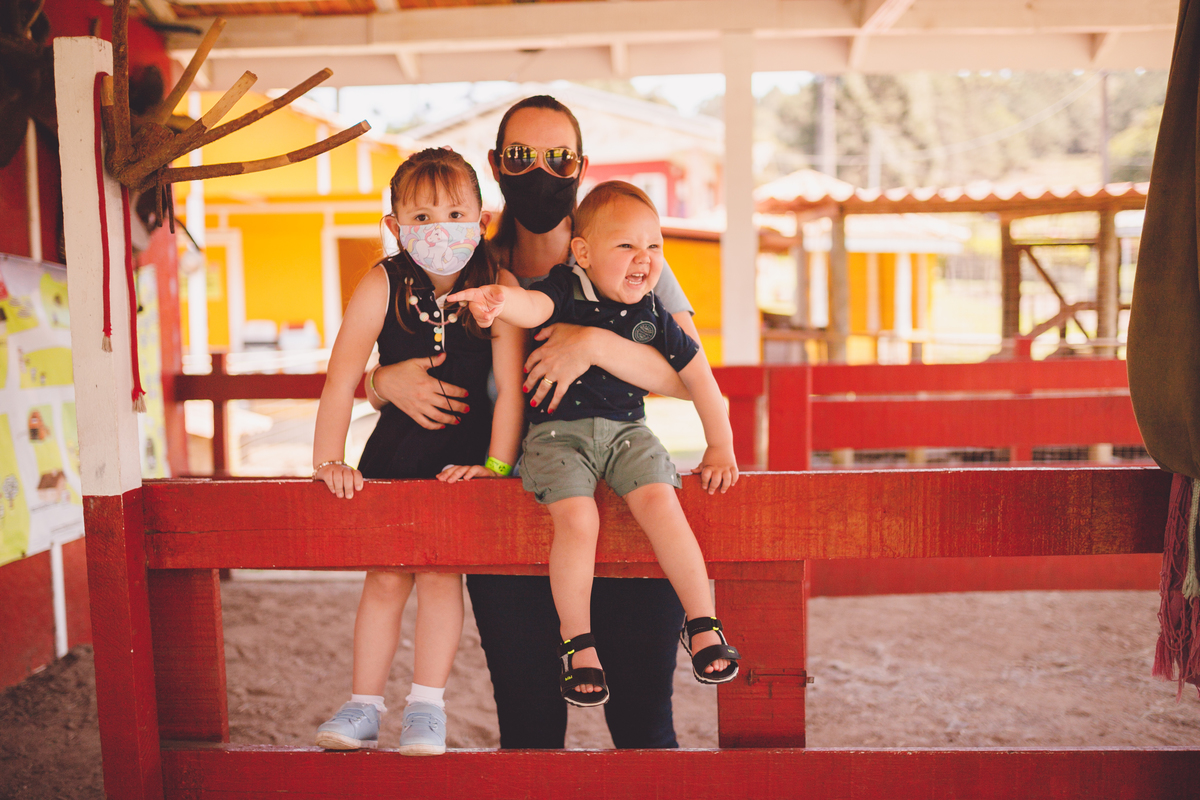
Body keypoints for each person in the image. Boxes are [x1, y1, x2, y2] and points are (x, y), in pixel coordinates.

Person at [368, 95, 703, 748]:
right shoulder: (461, 262)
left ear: (582, 166)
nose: (541, 172)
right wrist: (381, 381)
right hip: (511, 523)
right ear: (495, 164)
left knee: (643, 729)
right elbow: (385, 347)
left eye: (559, 157)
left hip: (626, 508)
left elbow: (688, 377)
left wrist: (593, 344)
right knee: (528, 730)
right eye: (521, 156)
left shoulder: (626, 250)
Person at [450, 181, 741, 706]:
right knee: (579, 519)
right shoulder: (567, 286)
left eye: (653, 247)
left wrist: (719, 446)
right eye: (626, 246)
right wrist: (501, 301)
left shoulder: (654, 314)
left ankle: (703, 622)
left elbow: (700, 377)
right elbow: (534, 307)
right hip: (557, 438)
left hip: (629, 431)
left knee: (662, 503)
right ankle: (578, 644)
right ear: (583, 253)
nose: (644, 260)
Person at [310, 148, 525, 754]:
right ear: (395, 225)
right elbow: (342, 374)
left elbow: (509, 388)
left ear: (481, 218)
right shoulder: (381, 282)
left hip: (460, 465)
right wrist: (329, 458)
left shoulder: (499, 288)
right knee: (383, 579)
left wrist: (495, 466)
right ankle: (363, 705)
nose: (439, 229)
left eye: (455, 213)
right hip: (393, 459)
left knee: (439, 578)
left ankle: (427, 709)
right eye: (422, 217)